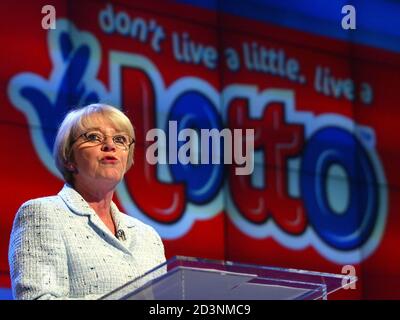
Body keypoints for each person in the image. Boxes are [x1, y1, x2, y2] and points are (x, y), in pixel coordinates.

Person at [8, 103, 166, 300]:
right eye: (93, 137)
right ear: (69, 158)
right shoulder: (42, 213)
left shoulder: (148, 236)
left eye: (120, 139)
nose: (110, 145)